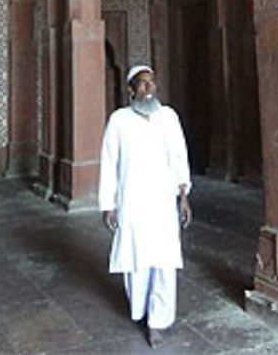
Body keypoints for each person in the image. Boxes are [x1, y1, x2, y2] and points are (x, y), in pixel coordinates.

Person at [98, 64, 192, 349]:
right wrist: (108, 204)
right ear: (131, 90)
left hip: (163, 202)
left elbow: (178, 155)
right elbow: (109, 163)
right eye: (142, 84)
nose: (148, 88)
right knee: (136, 261)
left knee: (164, 262)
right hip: (133, 202)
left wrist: (184, 194)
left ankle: (158, 321)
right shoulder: (119, 120)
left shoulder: (169, 117)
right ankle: (140, 310)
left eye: (152, 83)